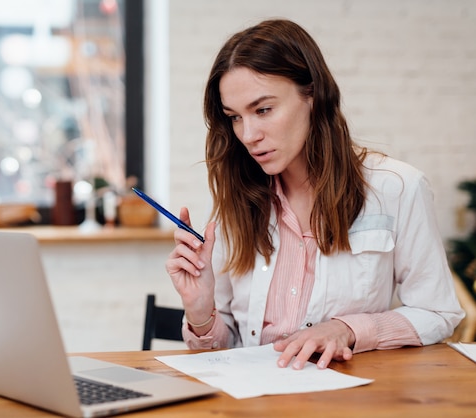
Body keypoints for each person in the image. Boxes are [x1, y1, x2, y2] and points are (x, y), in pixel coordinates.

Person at [165, 18, 464, 370]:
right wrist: (201, 312)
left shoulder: (397, 188)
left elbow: (438, 313)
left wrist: (348, 329)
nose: (248, 135)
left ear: (313, 95)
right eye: (234, 117)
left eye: (263, 110)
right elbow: (226, 350)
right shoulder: (238, 199)